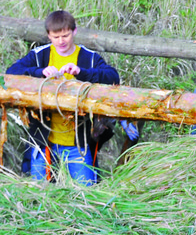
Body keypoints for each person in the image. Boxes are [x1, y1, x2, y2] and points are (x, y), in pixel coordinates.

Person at [7, 10, 121, 185]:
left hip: (78, 145)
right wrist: (39, 72)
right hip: (43, 143)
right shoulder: (40, 55)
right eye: (56, 36)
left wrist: (82, 73)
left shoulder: (88, 57)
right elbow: (11, 72)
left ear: (74, 32)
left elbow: (113, 77)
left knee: (86, 193)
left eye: (65, 35)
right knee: (39, 194)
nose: (61, 41)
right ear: (48, 36)